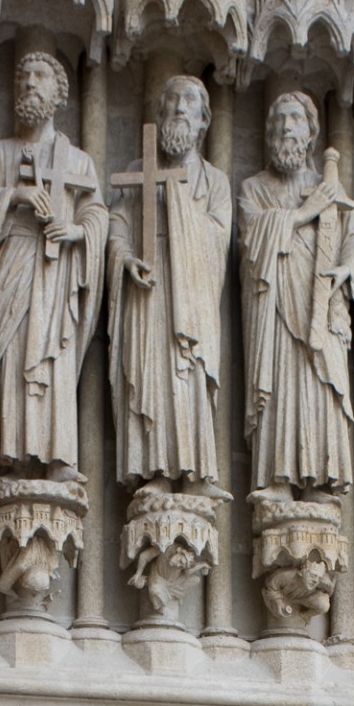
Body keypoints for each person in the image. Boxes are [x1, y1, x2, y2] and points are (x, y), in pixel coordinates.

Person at [0, 52, 109, 480]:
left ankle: (57, 456)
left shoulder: (79, 161)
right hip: (11, 261)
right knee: (10, 350)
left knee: (53, 356)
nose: (29, 82)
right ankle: (9, 452)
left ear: (60, 93)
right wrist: (17, 196)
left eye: (41, 76)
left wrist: (76, 231)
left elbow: (98, 214)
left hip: (56, 270)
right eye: (23, 75)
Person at [108, 75, 232, 495]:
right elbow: (118, 225)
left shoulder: (215, 181)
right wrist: (126, 259)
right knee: (151, 373)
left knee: (188, 372)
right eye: (173, 101)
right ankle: (156, 469)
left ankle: (195, 473)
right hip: (150, 285)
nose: (180, 108)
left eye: (190, 102)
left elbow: (220, 238)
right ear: (159, 115)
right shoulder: (138, 170)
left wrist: (181, 213)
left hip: (192, 291)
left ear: (203, 121)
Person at [238, 91, 354, 498]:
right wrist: (301, 214)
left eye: (296, 119)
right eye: (279, 121)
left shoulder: (328, 186)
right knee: (281, 383)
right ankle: (278, 477)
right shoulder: (254, 189)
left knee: (320, 384)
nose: (287, 128)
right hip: (275, 306)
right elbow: (249, 239)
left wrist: (347, 267)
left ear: (311, 132)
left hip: (322, 303)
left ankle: (321, 478)